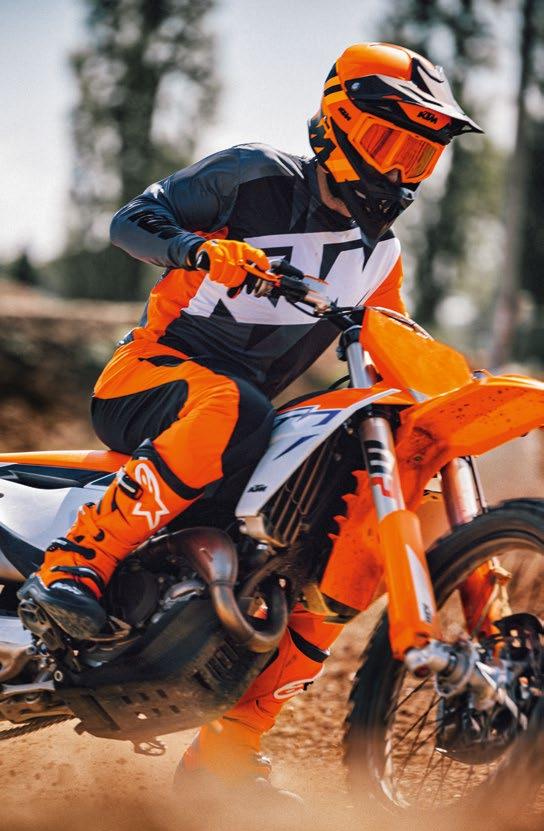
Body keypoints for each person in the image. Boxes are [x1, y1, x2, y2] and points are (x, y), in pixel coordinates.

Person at [19, 43, 481, 787]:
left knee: (343, 535)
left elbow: (390, 341)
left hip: (246, 425)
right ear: (336, 125)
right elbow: (130, 222)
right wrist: (198, 251)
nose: (400, 170)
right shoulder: (253, 176)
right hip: (149, 381)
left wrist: (446, 385)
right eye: (386, 143)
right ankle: (76, 563)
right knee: (239, 405)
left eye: (419, 155)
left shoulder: (381, 258)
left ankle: (227, 756)